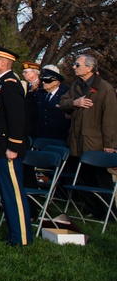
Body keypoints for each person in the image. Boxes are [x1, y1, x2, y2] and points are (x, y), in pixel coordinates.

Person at [0, 42, 32, 246]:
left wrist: (13, 146)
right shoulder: (1, 82)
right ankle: (14, 233)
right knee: (7, 192)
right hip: (0, 146)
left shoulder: (10, 83)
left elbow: (17, 119)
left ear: (3, 62)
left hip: (8, 147)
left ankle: (21, 237)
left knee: (14, 194)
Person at [59, 54, 117, 217]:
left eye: (77, 65)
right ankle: (94, 210)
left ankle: (109, 215)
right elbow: (62, 103)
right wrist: (74, 103)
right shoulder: (76, 85)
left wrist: (110, 144)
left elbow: (111, 117)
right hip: (76, 141)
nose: (74, 67)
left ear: (89, 68)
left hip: (95, 143)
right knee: (82, 178)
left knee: (100, 180)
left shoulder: (105, 89)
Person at [32, 66, 69, 142]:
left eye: (47, 81)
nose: (43, 82)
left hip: (58, 137)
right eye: (43, 80)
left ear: (56, 82)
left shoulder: (65, 95)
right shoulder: (40, 94)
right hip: (41, 136)